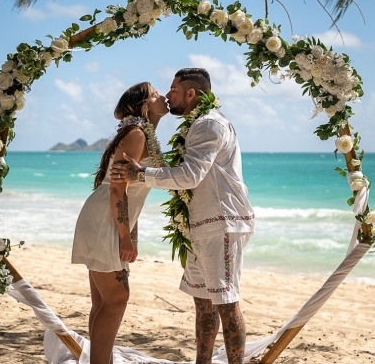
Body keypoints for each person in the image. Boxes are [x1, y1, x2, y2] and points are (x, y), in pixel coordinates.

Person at [111, 68, 255, 364]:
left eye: (173, 90)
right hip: (200, 224)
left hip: (221, 222)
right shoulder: (197, 124)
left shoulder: (209, 124)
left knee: (226, 303)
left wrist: (141, 174)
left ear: (191, 93)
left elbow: (190, 176)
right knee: (203, 304)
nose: (168, 95)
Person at [71, 81, 168, 364]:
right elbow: (117, 190)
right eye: (155, 94)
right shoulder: (137, 134)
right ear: (143, 106)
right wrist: (125, 237)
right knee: (117, 299)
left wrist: (132, 236)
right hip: (105, 220)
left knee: (104, 301)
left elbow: (130, 194)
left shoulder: (141, 134)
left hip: (105, 217)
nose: (162, 96)